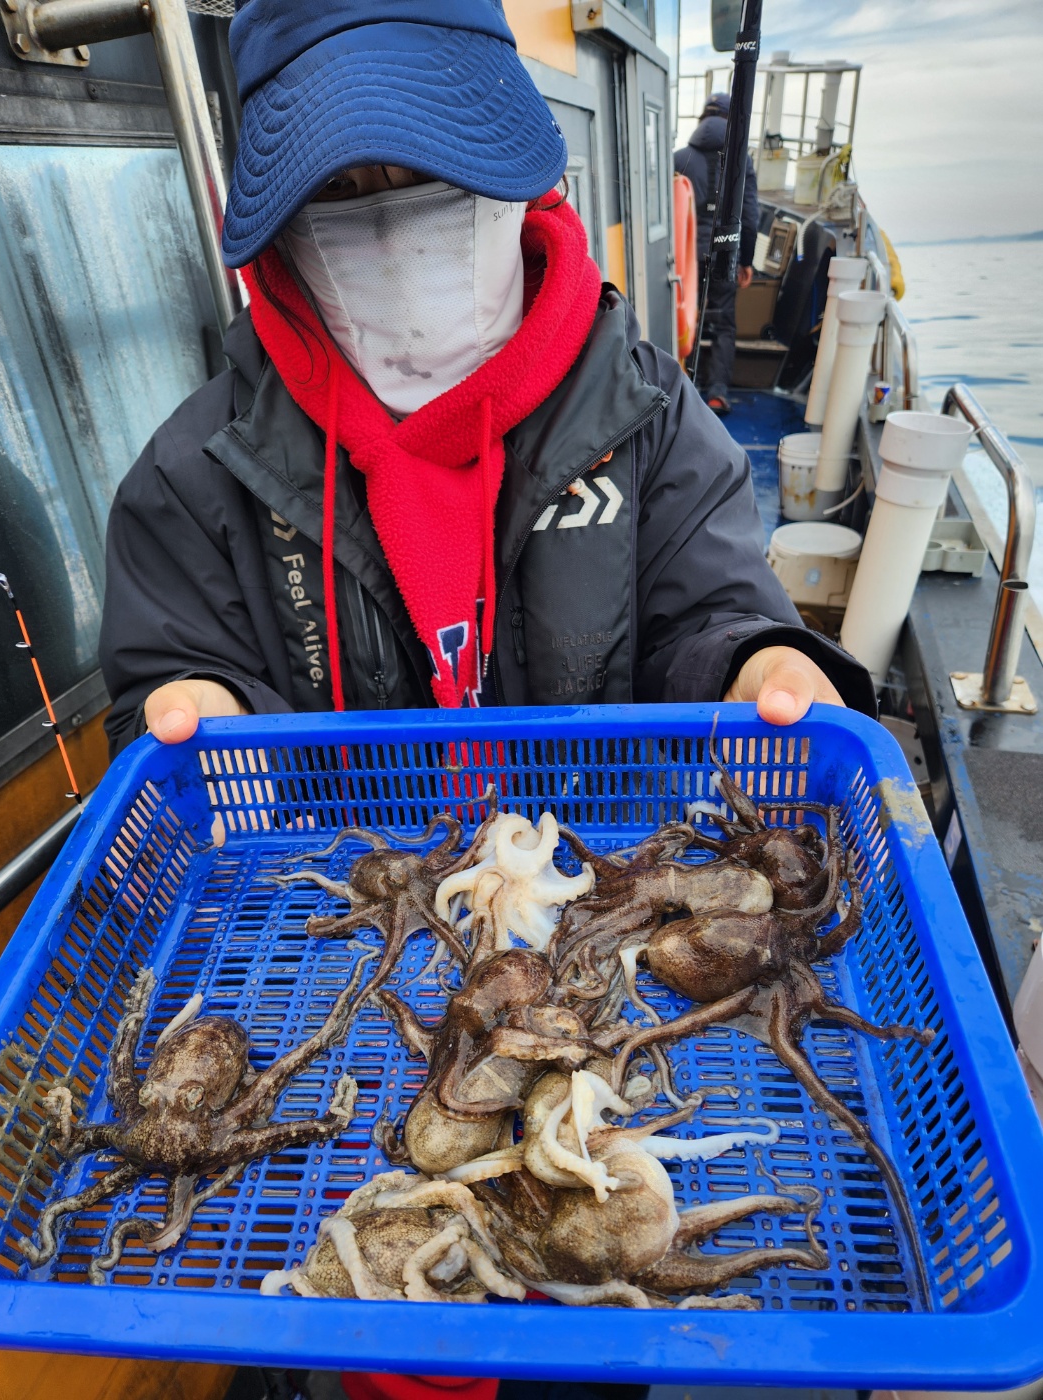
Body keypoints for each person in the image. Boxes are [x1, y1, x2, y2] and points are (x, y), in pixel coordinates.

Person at [96, 2, 873, 1391]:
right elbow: (169, 685)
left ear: (511, 172)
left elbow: (708, 610)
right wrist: (194, 702)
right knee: (371, 1315)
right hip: (342, 948)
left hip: (594, 904)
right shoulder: (194, 472)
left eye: (426, 171)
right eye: (341, 189)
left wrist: (760, 662)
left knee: (590, 1312)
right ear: (279, 224)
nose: (389, 218)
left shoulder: (650, 418)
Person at [673, 92, 759, 415]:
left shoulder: (679, 158)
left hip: (687, 256)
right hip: (725, 253)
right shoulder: (741, 161)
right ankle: (717, 393)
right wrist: (746, 260)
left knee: (685, 316)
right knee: (723, 323)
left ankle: (682, 389)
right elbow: (749, 216)